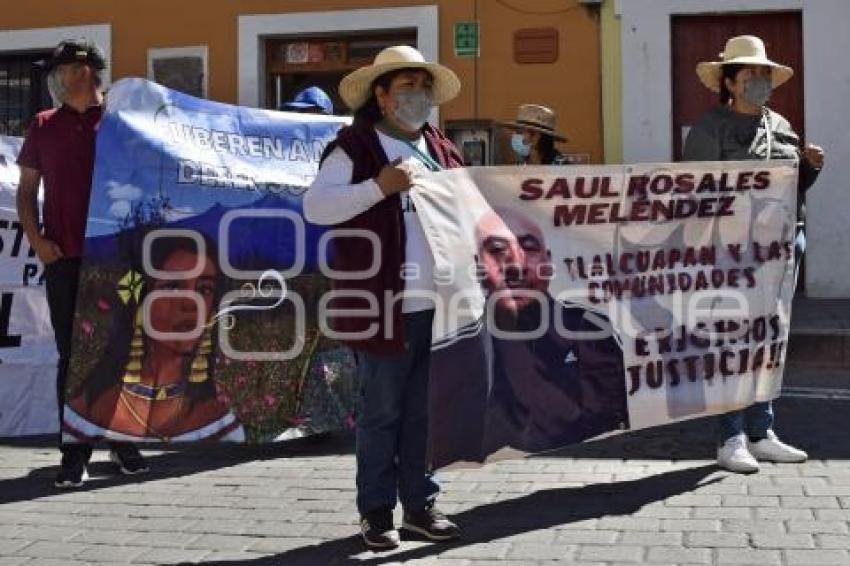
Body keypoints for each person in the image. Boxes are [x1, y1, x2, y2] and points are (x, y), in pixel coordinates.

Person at [303, 45, 463, 550]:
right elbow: (317, 207)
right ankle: (376, 511)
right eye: (407, 87)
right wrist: (379, 187)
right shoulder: (355, 147)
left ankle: (419, 504)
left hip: (437, 305)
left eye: (424, 87)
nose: (418, 96)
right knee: (382, 412)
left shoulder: (440, 147)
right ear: (381, 94)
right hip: (382, 305)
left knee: (423, 413)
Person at [683, 35, 825, 474]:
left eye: (765, 73)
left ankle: (763, 432)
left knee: (769, 340)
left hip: (782, 248)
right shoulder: (709, 131)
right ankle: (730, 436)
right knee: (732, 343)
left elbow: (792, 187)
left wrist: (810, 168)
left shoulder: (781, 126)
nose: (760, 81)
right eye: (750, 74)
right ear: (729, 82)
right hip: (731, 254)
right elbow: (697, 195)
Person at [16, 39, 148, 488]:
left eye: (68, 67)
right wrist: (36, 239)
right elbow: (25, 189)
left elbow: (145, 181)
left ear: (89, 69)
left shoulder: (120, 121)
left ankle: (122, 440)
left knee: (118, 352)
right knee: (72, 356)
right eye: (57, 70)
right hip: (64, 259)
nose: (61, 76)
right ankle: (73, 451)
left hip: (115, 259)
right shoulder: (42, 124)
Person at [63, 233, 244, 443]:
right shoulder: (83, 418)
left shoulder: (222, 427)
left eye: (204, 289)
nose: (190, 303)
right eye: (173, 286)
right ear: (141, 300)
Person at [474, 208, 628, 454]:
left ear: (548, 261)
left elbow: (611, 417)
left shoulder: (591, 331)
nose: (515, 264)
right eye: (497, 250)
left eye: (528, 247)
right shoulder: (459, 353)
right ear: (477, 266)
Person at [500, 104, 570, 165]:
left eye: (520, 132)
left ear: (536, 136)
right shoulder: (520, 166)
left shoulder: (561, 166)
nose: (515, 136)